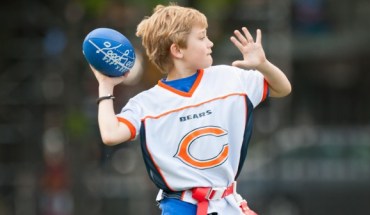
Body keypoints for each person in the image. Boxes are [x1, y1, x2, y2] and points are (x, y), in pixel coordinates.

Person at [89, 3, 291, 215]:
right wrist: (105, 85)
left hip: (228, 204)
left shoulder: (230, 78)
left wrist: (262, 64)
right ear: (177, 50)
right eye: (202, 37)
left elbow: (282, 88)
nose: (210, 43)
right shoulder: (147, 103)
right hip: (182, 208)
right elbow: (110, 134)